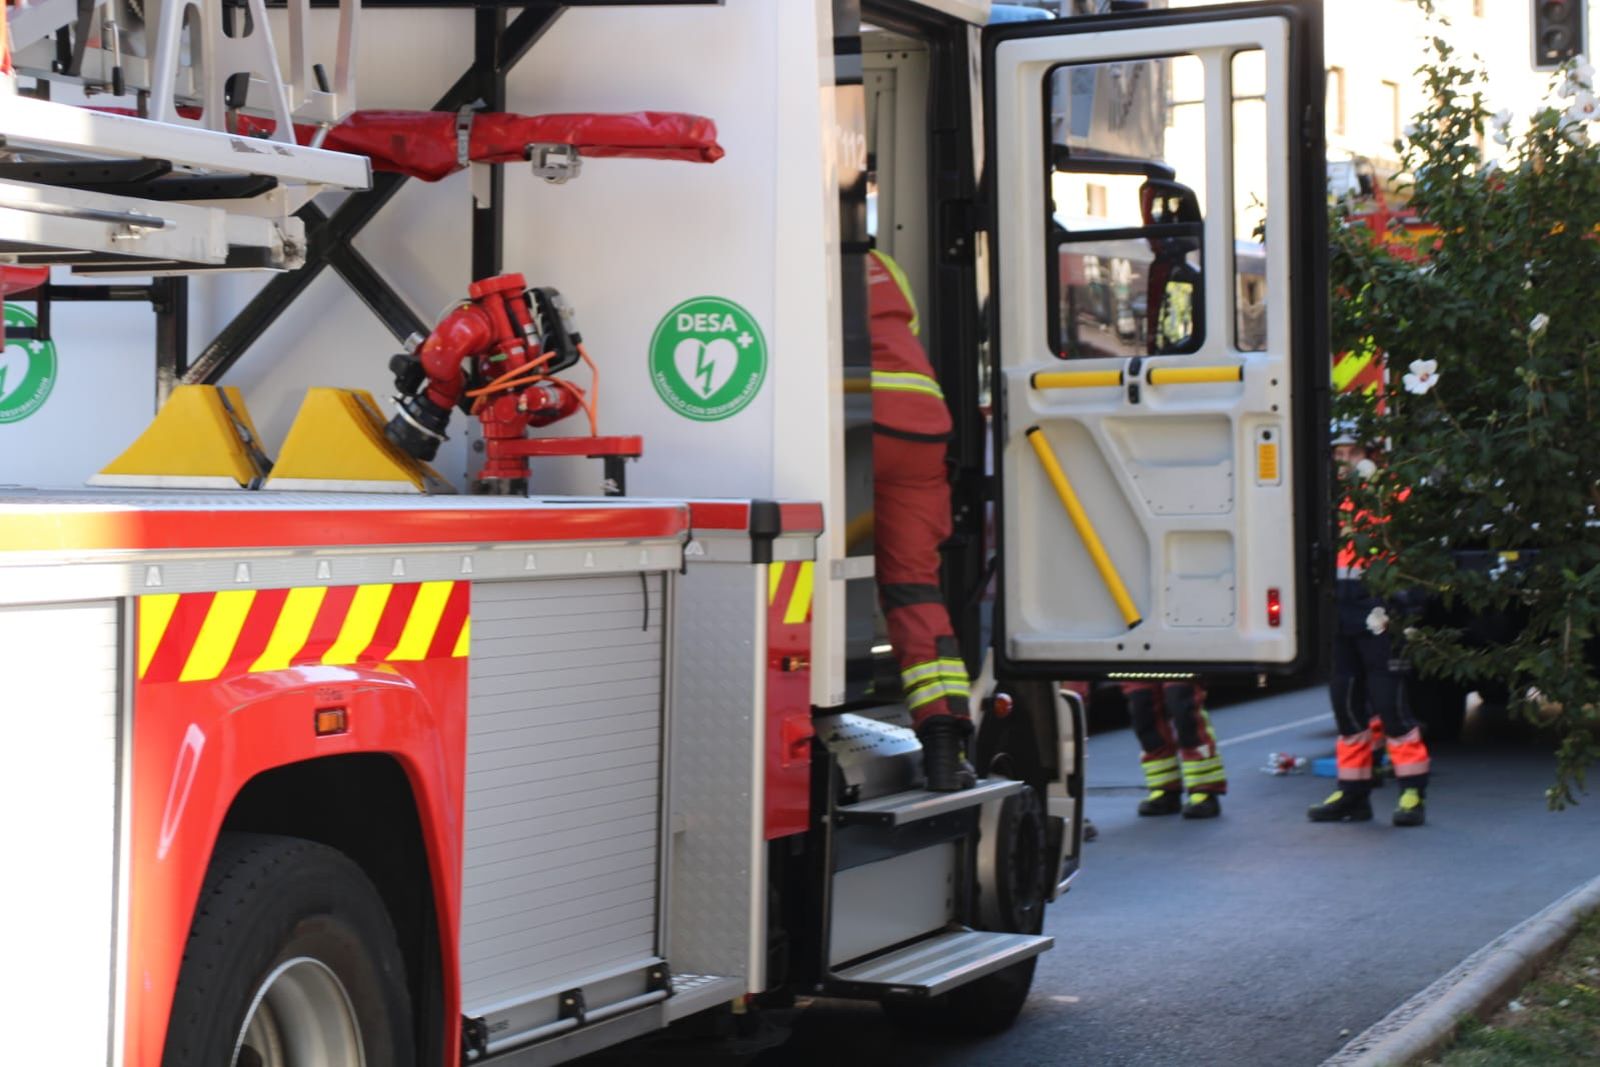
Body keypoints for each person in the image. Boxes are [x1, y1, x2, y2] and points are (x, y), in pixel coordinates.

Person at [868, 247, 974, 792]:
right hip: (921, 424)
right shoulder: (885, 263)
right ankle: (942, 740)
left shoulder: (784, 246)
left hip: (856, 414)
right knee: (913, 588)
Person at [1308, 429, 1430, 826]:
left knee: (1391, 710)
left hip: (1380, 618)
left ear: (1372, 455)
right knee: (1346, 710)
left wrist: (1404, 606)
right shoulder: (1328, 501)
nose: (1345, 459)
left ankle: (1412, 792)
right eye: (1338, 453)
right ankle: (1353, 795)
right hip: (1340, 619)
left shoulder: (1392, 497)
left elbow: (1414, 558)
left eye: (1353, 451)